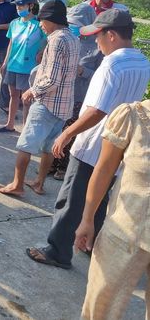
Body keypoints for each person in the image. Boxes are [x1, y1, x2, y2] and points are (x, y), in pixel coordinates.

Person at [25, 8, 150, 269]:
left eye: (98, 36)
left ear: (112, 35)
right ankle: (89, 242)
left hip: (92, 144)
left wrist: (68, 132)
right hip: (116, 147)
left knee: (70, 200)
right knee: (101, 200)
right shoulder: (141, 61)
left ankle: (58, 251)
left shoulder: (111, 64)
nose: (96, 41)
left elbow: (98, 110)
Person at [74, 100, 150, 320]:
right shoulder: (133, 116)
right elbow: (104, 169)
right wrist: (87, 220)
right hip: (124, 234)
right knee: (100, 309)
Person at [0, 0, 80, 197]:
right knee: (49, 147)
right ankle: (39, 183)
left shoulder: (56, 40)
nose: (41, 24)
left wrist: (32, 91)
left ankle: (17, 184)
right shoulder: (72, 38)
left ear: (52, 19)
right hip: (63, 105)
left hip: (47, 104)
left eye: (43, 20)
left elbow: (52, 79)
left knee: (25, 144)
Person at [50, 2, 101, 180]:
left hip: (80, 96)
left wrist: (83, 71)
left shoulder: (96, 47)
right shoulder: (66, 39)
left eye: (77, 26)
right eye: (71, 25)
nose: (73, 28)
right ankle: (51, 162)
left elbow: (100, 75)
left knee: (69, 132)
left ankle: (62, 166)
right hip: (61, 93)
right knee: (56, 129)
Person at [0, 0, 46, 133]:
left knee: (27, 100)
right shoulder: (14, 23)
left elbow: (48, 41)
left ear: (31, 6)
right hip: (13, 65)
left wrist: (41, 52)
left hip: (28, 67)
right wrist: (5, 62)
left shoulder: (38, 25)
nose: (18, 8)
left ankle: (25, 128)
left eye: (21, 6)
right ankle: (10, 124)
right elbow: (11, 43)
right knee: (13, 95)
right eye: (17, 6)